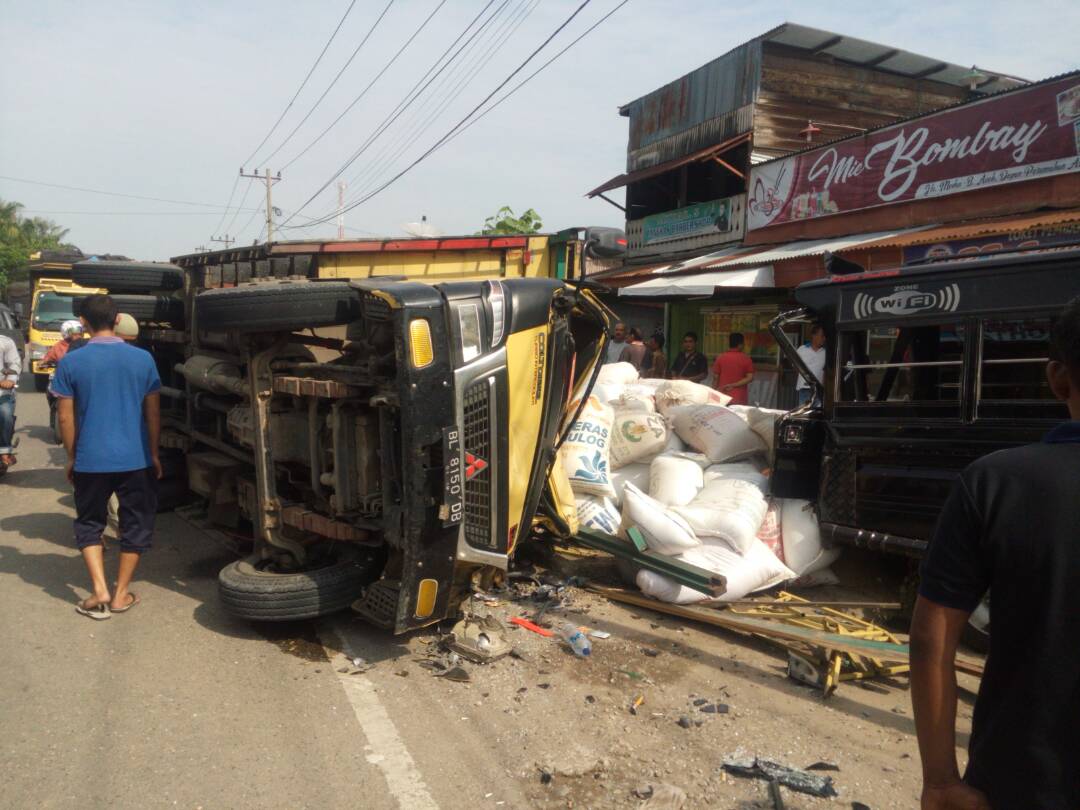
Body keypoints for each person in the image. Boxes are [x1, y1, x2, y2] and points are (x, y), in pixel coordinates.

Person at [909, 296, 1080, 809]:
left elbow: (930, 639)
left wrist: (940, 780)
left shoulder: (996, 482)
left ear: (1056, 378)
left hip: (1020, 781)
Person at [52, 296, 162, 620]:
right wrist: (153, 452)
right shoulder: (143, 360)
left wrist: (73, 457)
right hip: (136, 459)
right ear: (117, 320)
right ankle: (120, 593)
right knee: (135, 524)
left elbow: (65, 419)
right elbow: (153, 412)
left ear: (83, 323)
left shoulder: (71, 361)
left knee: (89, 523)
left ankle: (99, 588)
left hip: (90, 460)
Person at [712, 332, 755, 406]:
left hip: (722, 397)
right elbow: (750, 377)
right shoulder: (746, 358)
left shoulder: (720, 358)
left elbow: (715, 378)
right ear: (740, 345)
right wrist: (733, 385)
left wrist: (713, 394)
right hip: (739, 398)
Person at [795, 324, 827, 406]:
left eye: (824, 336)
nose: (824, 339)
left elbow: (826, 371)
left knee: (817, 416)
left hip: (819, 391)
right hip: (805, 389)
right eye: (822, 336)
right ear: (814, 336)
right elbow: (795, 366)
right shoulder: (802, 349)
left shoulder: (825, 352)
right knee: (804, 415)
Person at [0, 332, 19, 468]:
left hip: (2, 392)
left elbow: (14, 364)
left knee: (5, 414)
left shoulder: (5, 342)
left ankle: (5, 450)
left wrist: (10, 380)